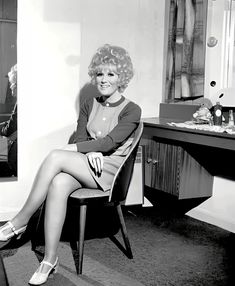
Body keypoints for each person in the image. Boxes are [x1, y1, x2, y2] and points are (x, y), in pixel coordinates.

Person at [0, 44, 141, 285]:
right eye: (100, 73)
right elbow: (80, 137)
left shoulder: (132, 109)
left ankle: (19, 222)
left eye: (111, 74)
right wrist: (88, 151)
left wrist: (82, 149)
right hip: (88, 165)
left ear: (122, 77)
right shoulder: (89, 104)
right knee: (58, 182)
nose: (104, 79)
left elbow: (108, 143)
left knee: (56, 155)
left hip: (109, 172)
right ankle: (50, 260)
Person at [0, 64, 17, 177]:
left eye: (12, 84)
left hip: (14, 142)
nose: (10, 87)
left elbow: (9, 130)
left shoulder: (21, 103)